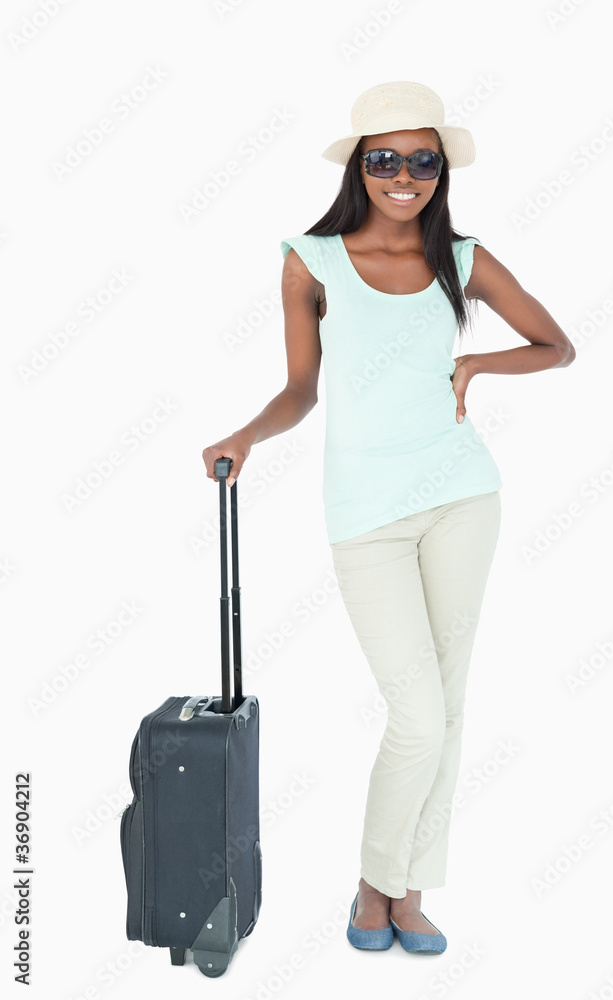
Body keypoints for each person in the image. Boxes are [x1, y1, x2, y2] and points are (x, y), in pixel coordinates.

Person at [202, 80, 575, 955]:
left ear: (439, 170)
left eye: (421, 161)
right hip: (364, 513)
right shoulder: (311, 258)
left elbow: (556, 346)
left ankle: (399, 892)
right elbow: (301, 390)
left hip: (460, 498)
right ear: (359, 168)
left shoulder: (464, 258)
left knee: (445, 710)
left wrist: (476, 363)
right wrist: (248, 434)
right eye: (384, 160)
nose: (402, 176)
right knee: (416, 712)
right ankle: (377, 883)